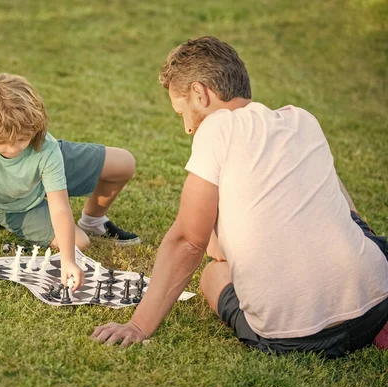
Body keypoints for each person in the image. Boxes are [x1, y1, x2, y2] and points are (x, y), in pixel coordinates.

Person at [91, 36, 388, 357]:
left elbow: (190, 242)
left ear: (199, 93)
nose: (187, 129)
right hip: (375, 306)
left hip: (295, 339)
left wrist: (138, 326)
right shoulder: (303, 119)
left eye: (181, 114)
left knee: (213, 274)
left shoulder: (216, 128)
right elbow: (349, 212)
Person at [0, 73, 141, 291]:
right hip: (14, 204)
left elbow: (59, 206)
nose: (12, 149)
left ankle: (93, 221)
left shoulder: (46, 146)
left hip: (45, 162)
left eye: (21, 139)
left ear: (35, 127)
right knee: (79, 243)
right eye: (1, 142)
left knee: (124, 163)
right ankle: (31, 214)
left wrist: (68, 260)